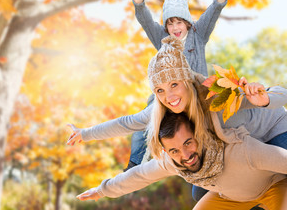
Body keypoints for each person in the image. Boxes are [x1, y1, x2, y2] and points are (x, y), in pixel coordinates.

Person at [74, 37, 287, 209]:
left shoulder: (218, 97)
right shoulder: (163, 113)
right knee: (199, 188)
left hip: (273, 133)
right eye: (160, 90)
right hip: (235, 162)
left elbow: (280, 94)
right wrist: (85, 134)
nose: (169, 96)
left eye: (174, 84)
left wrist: (265, 99)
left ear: (186, 80)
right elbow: (128, 128)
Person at [124, 0, 231, 193]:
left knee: (211, 123)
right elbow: (147, 23)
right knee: (143, 120)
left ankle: (221, 159)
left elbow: (212, 15)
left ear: (187, 23)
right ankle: (134, 164)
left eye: (179, 22)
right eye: (170, 23)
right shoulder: (162, 39)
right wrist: (139, 4)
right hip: (169, 94)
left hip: (196, 93)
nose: (175, 28)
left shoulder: (198, 35)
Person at [76, 111, 287, 209]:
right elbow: (139, 175)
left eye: (188, 143)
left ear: (199, 135)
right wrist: (103, 190)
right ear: (166, 152)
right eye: (175, 150)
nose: (185, 156)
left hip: (273, 186)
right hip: (231, 197)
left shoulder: (240, 149)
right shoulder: (173, 161)